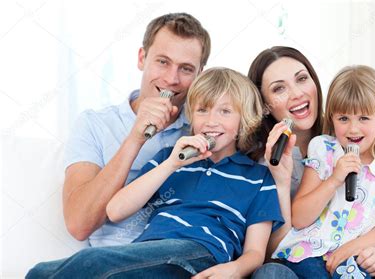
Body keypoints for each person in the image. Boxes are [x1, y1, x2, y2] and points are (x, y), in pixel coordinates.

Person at [27, 67, 285, 278]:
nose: (211, 121)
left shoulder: (257, 178)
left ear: (244, 121)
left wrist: (235, 269)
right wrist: (172, 164)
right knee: (40, 273)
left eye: (225, 111)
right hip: (148, 254)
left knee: (92, 263)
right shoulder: (169, 158)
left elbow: (255, 251)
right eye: (202, 110)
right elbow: (115, 209)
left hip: (201, 253)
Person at [248, 47, 375, 278]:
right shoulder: (323, 150)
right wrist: (334, 179)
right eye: (343, 118)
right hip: (312, 258)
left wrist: (360, 249)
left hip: (356, 261)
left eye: (363, 118)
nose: (353, 128)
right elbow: (298, 218)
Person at [62, 13, 211, 246]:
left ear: (200, 75)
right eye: (163, 62)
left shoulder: (206, 131)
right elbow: (79, 224)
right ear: (142, 58)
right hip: (113, 262)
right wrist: (135, 138)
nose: (172, 79)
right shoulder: (95, 124)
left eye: (186, 69)